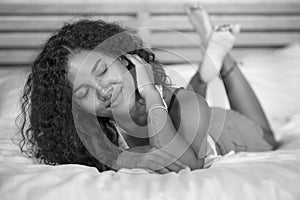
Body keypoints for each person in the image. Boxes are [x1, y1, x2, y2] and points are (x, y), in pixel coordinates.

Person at [18, 4, 277, 174]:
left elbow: (185, 165)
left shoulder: (185, 102)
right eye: (83, 93)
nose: (102, 90)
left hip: (234, 132)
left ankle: (222, 58)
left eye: (103, 71)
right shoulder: (97, 136)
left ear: (125, 59)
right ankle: (210, 61)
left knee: (268, 136)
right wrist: (127, 159)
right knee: (185, 104)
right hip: (189, 114)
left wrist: (151, 92)